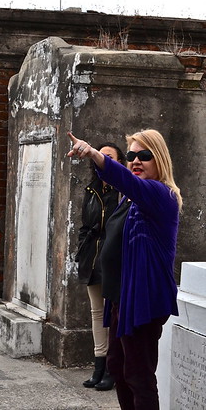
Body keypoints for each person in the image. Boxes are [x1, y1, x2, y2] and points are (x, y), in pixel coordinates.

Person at [67, 129, 181, 410]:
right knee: (118, 368)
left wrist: (94, 153)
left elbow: (126, 180)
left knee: (139, 375)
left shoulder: (160, 194)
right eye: (131, 156)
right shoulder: (130, 200)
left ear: (160, 159)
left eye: (145, 155)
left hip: (144, 298)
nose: (136, 161)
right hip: (122, 297)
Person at [75, 142, 125, 391]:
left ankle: (112, 370)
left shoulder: (122, 190)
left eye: (110, 157)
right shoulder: (91, 189)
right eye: (101, 156)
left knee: (113, 313)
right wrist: (81, 250)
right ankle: (98, 365)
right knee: (97, 312)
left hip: (114, 258)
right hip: (92, 258)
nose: (104, 160)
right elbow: (85, 224)